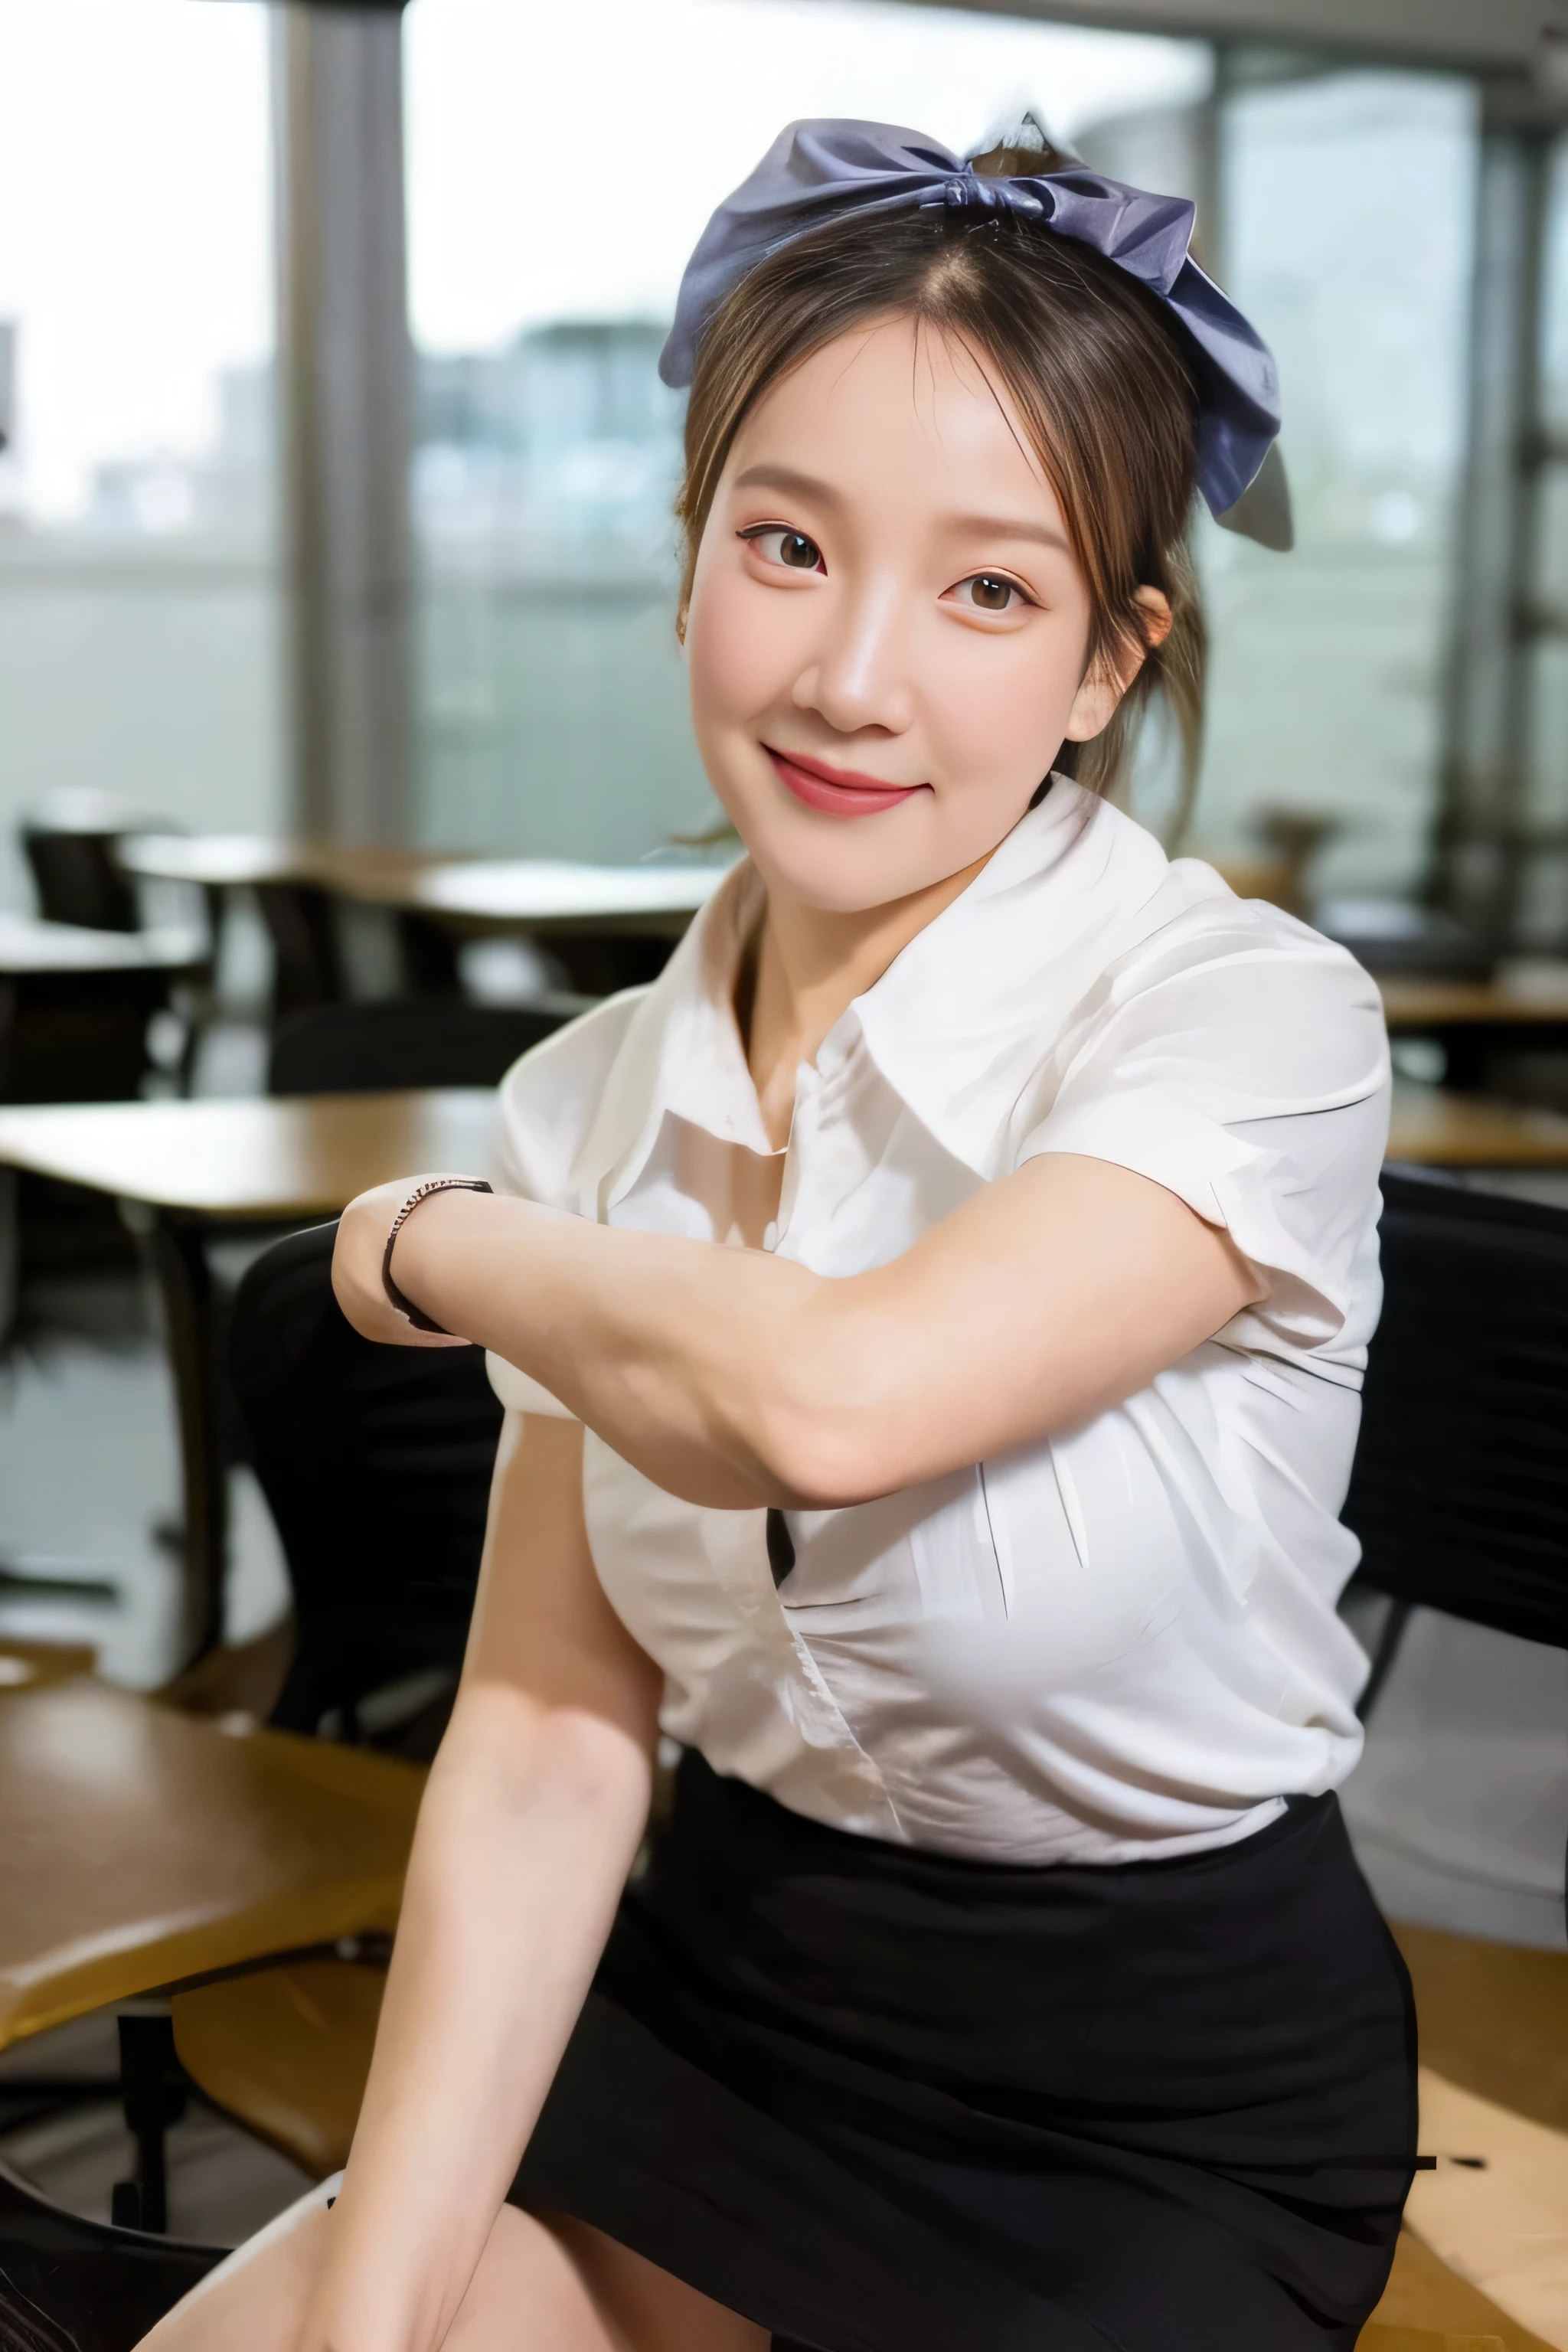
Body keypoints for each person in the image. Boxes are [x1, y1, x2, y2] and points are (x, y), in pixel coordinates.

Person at [140, 117, 1410, 2352]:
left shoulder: (1250, 1017)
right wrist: (372, 2319)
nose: (852, 677)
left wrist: (439, 1244)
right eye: (790, 545)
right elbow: (541, 1742)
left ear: (1109, 665)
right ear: (691, 552)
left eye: (990, 592)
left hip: (1148, 2111)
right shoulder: (590, 1089)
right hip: (723, 2001)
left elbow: (833, 1398)